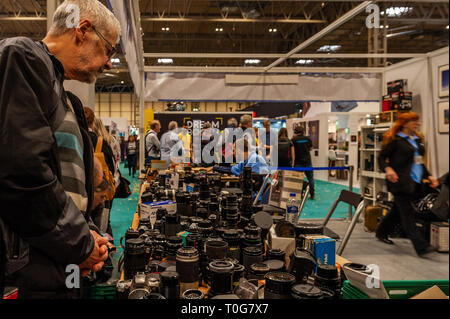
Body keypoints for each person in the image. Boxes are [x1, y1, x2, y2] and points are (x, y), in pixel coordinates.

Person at [0, 0, 119, 298]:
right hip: (29, 266)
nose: (108, 63)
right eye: (109, 49)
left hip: (63, 257)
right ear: (82, 30)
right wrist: (81, 243)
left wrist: (88, 235)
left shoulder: (69, 101)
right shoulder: (22, 57)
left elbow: (70, 185)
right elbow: (23, 172)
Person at [376, 112, 439, 257]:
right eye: (413, 121)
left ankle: (381, 231)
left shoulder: (418, 140)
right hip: (398, 181)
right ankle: (421, 246)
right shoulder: (395, 140)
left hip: (414, 182)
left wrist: (428, 175)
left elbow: (419, 161)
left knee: (397, 211)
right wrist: (388, 168)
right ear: (404, 123)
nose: (417, 124)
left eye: (417, 121)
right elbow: (382, 157)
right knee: (407, 215)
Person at [292, 126, 315, 199]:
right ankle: (312, 194)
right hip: (308, 161)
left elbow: (292, 151)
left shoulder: (293, 140)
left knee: (298, 179)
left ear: (295, 132)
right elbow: (310, 148)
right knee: (310, 179)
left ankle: (300, 194)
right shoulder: (307, 139)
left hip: (298, 162)